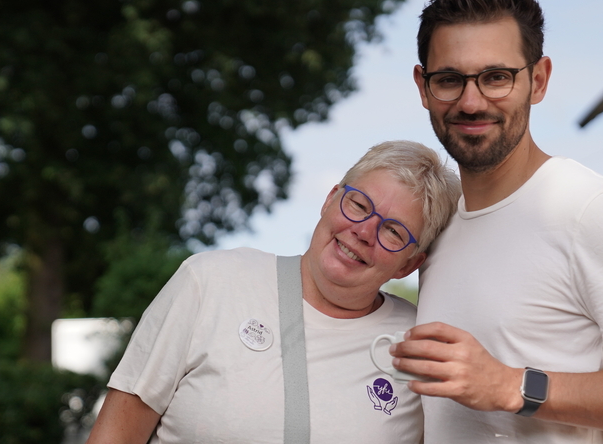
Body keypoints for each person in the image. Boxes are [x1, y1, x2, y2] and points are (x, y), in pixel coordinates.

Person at [388, 0, 603, 443]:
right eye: (450, 80)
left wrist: (509, 385)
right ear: (424, 86)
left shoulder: (589, 208)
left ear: (537, 80)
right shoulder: (443, 223)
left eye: (496, 77)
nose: (472, 101)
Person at [86, 140, 461, 444]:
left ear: (409, 264)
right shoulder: (211, 282)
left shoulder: (417, 347)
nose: (364, 231)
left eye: (393, 231)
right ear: (330, 199)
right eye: (359, 205)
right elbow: (115, 436)